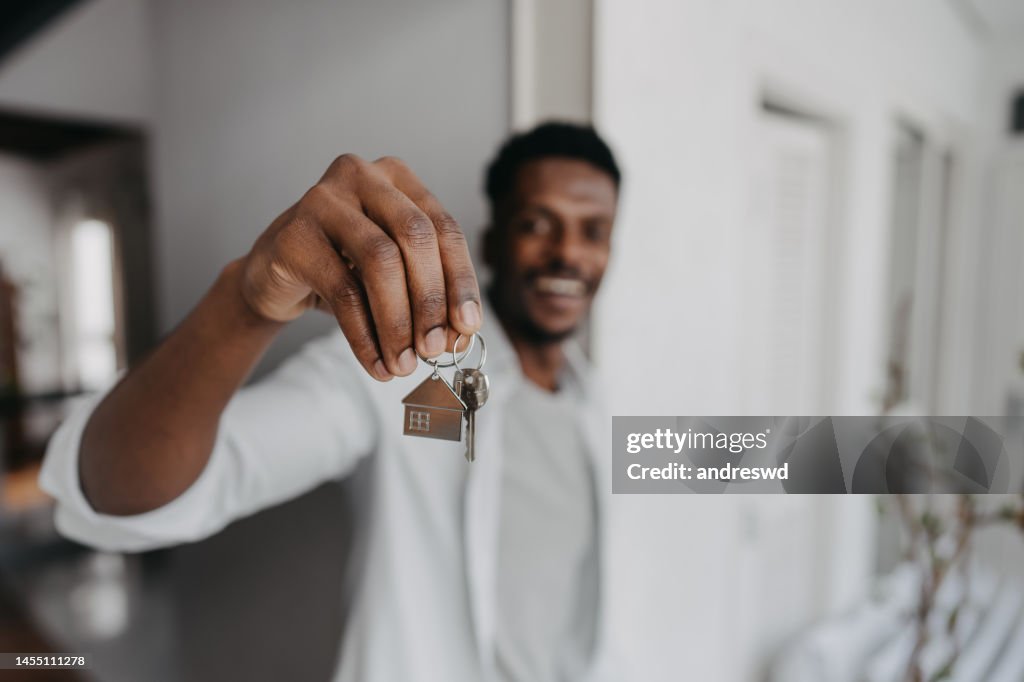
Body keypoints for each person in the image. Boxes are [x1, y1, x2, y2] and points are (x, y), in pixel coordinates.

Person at [40, 122, 622, 681]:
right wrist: (245, 304)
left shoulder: (601, 405)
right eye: (537, 224)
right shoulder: (408, 365)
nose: (568, 253)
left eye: (594, 231)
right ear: (492, 242)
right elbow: (119, 495)